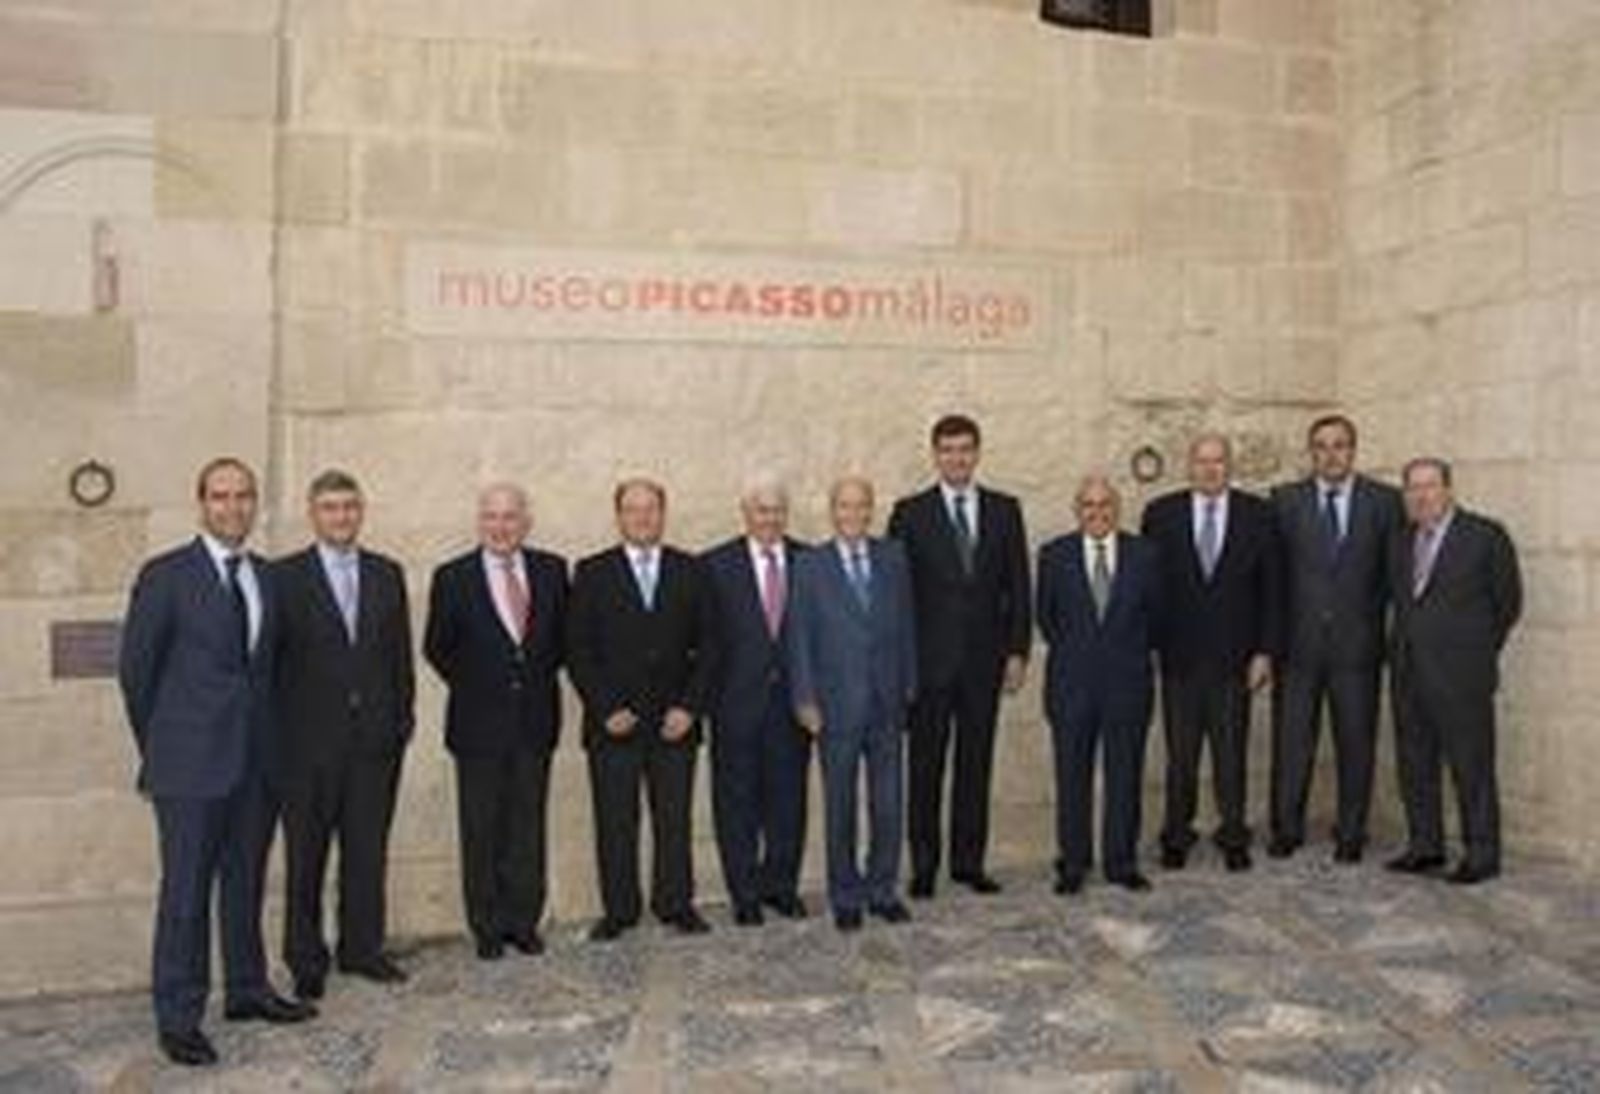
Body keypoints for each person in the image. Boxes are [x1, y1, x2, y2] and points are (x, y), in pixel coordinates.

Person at [118, 458, 315, 1068]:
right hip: (189, 769)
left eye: (244, 496)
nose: (233, 507)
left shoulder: (267, 576)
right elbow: (137, 674)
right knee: (185, 895)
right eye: (221, 496)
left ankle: (248, 989)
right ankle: (178, 1017)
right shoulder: (166, 575)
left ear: (255, 504)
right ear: (200, 503)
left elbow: (274, 670)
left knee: (247, 884)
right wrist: (167, 749)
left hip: (257, 764)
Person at [274, 469, 415, 999]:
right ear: (313, 514)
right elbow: (272, 665)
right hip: (307, 748)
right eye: (331, 507)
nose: (341, 516)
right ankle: (306, 958)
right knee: (306, 857)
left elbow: (399, 657)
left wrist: (401, 721)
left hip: (375, 743)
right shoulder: (284, 577)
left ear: (362, 512)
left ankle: (362, 949)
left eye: (350, 507)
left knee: (366, 851)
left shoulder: (386, 573)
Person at [568, 479, 719, 941]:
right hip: (614, 724)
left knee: (674, 820)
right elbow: (577, 649)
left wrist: (689, 708)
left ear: (663, 513)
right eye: (632, 510)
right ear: (618, 517)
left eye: (650, 509)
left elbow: (712, 645)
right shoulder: (592, 572)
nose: (642, 518)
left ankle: (676, 903)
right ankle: (619, 909)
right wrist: (606, 706)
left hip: (675, 723)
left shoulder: (690, 569)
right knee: (615, 821)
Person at [889, 415, 1031, 899]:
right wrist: (904, 666)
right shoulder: (910, 513)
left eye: (965, 449)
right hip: (929, 667)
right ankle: (924, 867)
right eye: (947, 450)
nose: (957, 458)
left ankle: (969, 863)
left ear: (977, 453)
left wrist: (1017, 651)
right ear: (935, 455)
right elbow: (896, 599)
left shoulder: (1005, 510)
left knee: (976, 765)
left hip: (983, 665)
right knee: (925, 767)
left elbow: (1019, 586)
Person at [423, 484, 568, 959]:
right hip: (477, 726)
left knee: (528, 826)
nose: (500, 526)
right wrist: (480, 685)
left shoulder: (551, 571)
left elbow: (561, 641)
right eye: (491, 517)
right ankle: (486, 926)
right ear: (479, 522)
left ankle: (523, 921)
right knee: (481, 828)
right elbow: (437, 648)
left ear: (525, 522)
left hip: (535, 723)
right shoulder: (453, 576)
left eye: (509, 517)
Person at [1140, 435, 1279, 873]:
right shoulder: (1161, 514)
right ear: (1189, 466)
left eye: (1218, 461)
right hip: (1178, 659)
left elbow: (1273, 592)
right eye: (1202, 461)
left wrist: (1265, 651)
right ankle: (1176, 835)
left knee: (1230, 753)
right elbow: (1148, 589)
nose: (1210, 469)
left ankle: (1233, 834)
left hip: (1235, 660)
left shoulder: (1258, 515)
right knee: (1180, 756)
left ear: (1229, 466)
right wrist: (1149, 646)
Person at [1269, 415, 1403, 863]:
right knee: (1291, 745)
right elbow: (1275, 580)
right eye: (1322, 446)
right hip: (1298, 650)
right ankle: (1286, 828)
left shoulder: (1384, 502)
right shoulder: (1285, 501)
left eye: (1340, 445)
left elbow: (1393, 576)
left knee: (1356, 744)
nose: (1331, 454)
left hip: (1357, 650)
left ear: (1353, 450)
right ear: (1311, 453)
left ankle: (1351, 832)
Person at [788, 476, 917, 932]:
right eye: (845, 506)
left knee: (888, 803)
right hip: (834, 706)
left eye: (861, 506)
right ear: (833, 511)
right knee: (839, 804)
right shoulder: (808, 565)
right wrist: (804, 697)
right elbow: (798, 636)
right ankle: (844, 894)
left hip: (886, 702)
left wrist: (909, 687)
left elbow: (906, 625)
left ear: (871, 510)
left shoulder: (893, 557)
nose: (853, 514)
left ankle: (882, 889)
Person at [1385, 458, 1521, 885]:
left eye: (1429, 486)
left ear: (1448, 490)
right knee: (1415, 765)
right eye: (1412, 489)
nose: (1421, 496)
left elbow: (1508, 603)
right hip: (1409, 673)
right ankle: (1426, 846)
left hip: (1462, 677)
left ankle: (1482, 854)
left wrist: (1473, 652)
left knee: (1471, 767)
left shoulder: (1485, 536)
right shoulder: (1399, 540)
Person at [1036, 474, 1161, 895]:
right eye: (1088, 505)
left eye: (1105, 504)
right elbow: (1048, 620)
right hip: (1072, 686)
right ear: (1077, 511)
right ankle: (1073, 863)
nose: (1097, 512)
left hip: (1128, 685)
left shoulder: (1145, 555)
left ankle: (1121, 862)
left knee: (1125, 776)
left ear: (1117, 508)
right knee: (1072, 777)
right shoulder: (1055, 555)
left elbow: (1158, 621)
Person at [702, 476, 812, 925]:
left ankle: (781, 887)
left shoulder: (809, 561)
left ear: (786, 514)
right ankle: (744, 895)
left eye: (777, 511)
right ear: (745, 513)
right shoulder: (714, 565)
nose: (769, 519)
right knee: (736, 803)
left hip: (792, 705)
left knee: (789, 800)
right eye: (761, 510)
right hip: (734, 706)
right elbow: (705, 641)